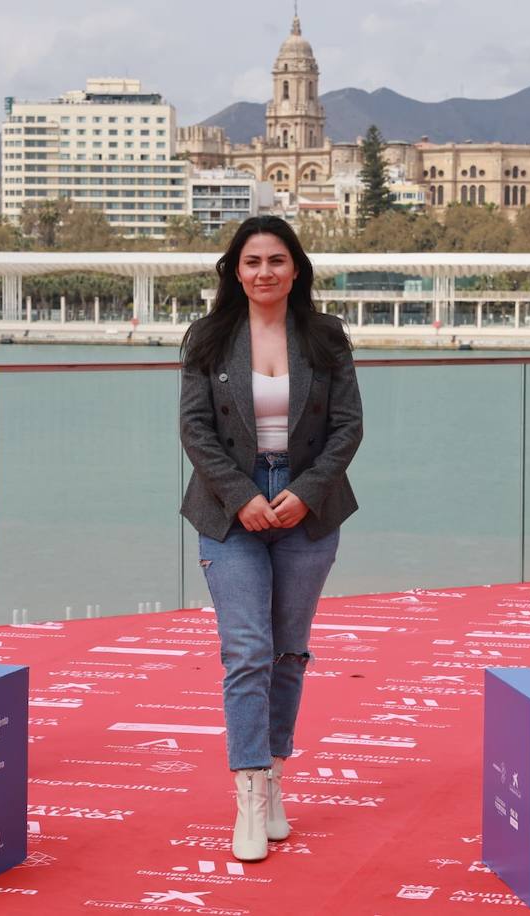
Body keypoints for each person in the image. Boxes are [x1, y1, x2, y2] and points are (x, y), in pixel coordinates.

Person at [179, 215, 363, 862]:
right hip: (230, 506)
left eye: (277, 261)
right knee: (248, 650)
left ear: (296, 269)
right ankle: (249, 794)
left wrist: (305, 492)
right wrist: (245, 496)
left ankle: (276, 777)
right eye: (252, 261)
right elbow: (195, 430)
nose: (264, 272)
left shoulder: (325, 337)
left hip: (308, 505)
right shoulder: (207, 337)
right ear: (234, 270)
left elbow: (347, 427)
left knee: (288, 652)